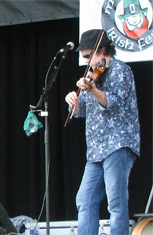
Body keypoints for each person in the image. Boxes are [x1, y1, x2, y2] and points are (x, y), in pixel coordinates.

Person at [65, 29, 140, 235]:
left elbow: (113, 103)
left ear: (104, 51)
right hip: (96, 148)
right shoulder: (92, 77)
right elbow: (83, 112)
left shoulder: (120, 70)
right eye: (85, 57)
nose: (87, 61)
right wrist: (74, 103)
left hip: (117, 143)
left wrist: (93, 90)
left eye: (90, 55)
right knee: (84, 199)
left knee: (116, 202)